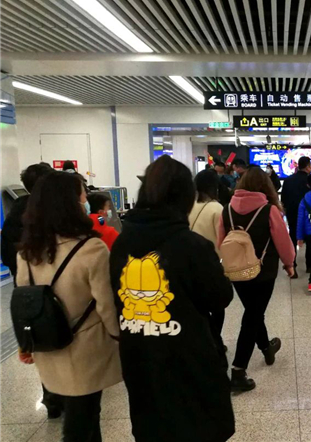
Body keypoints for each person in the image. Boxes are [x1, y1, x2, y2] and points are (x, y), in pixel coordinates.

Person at [110, 156, 235, 442]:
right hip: (187, 357)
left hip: (138, 355)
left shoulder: (121, 243)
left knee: (152, 427)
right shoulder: (191, 245)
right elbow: (219, 296)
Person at [16, 172, 121, 441]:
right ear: (70, 204)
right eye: (82, 196)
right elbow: (107, 306)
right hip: (86, 349)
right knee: (82, 420)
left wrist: (26, 343)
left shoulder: (27, 252)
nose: (86, 201)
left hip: (48, 346)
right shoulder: (91, 249)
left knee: (82, 416)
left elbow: (25, 300)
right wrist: (119, 336)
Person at [217, 166, 295, 392]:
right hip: (264, 271)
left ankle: (267, 348)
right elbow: (283, 241)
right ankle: (238, 371)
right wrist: (289, 263)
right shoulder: (269, 210)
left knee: (253, 311)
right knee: (252, 315)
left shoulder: (226, 210)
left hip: (236, 271)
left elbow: (221, 243)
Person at [189, 169, 227, 355]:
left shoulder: (189, 206)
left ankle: (204, 341)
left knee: (199, 308)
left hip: (189, 263)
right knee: (218, 308)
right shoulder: (217, 209)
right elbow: (222, 241)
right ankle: (214, 342)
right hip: (211, 265)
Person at [1, 163, 52, 284]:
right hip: (45, 272)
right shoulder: (49, 208)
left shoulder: (18, 207)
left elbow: (7, 248)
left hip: (22, 274)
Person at [281, 156, 311, 278]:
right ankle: (309, 265)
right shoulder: (310, 180)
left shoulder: (288, 180)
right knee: (310, 237)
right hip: (307, 212)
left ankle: (292, 264)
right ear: (308, 166)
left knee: (293, 237)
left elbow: (283, 198)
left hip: (292, 212)